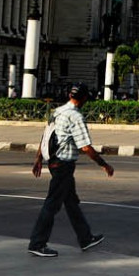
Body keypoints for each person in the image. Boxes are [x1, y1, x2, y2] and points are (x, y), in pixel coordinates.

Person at [28, 85, 114, 257]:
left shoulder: (58, 111)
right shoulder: (75, 116)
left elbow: (46, 136)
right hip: (63, 165)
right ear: (83, 99)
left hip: (54, 161)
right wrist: (104, 164)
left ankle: (86, 238)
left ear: (70, 95)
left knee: (71, 202)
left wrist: (38, 158)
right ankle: (37, 243)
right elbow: (85, 147)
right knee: (52, 204)